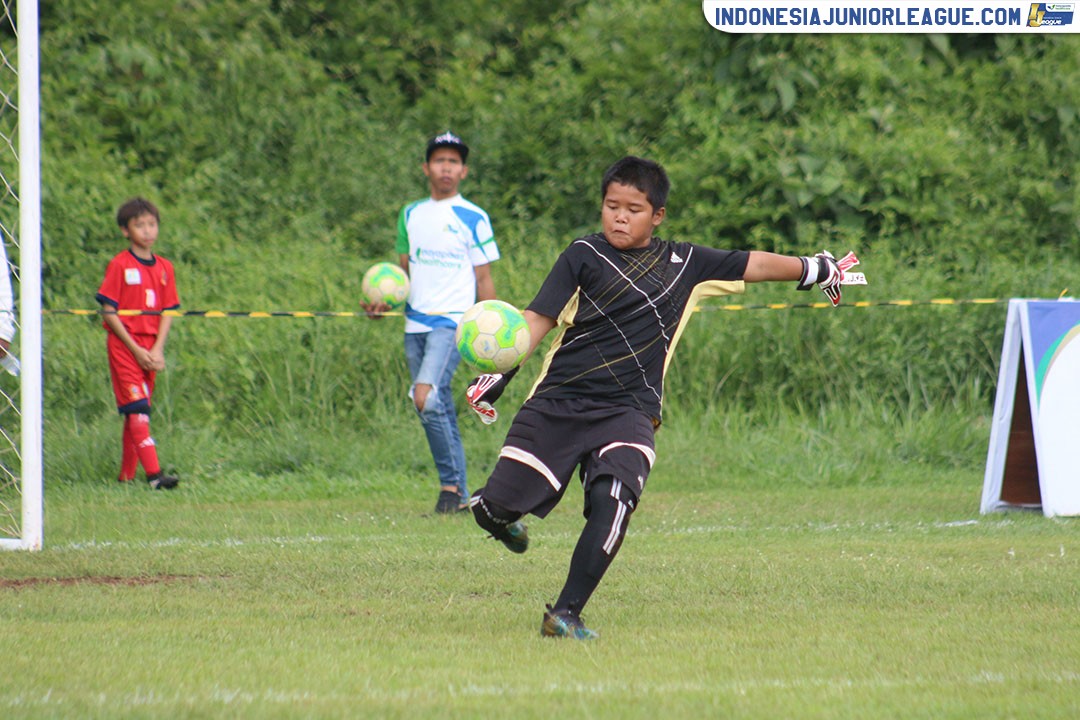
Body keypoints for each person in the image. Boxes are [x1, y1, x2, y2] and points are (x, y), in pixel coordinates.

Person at [465, 156, 848, 639]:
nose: (620, 217)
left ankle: (565, 613)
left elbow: (752, 262)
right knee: (490, 508)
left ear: (658, 215)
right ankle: (503, 519)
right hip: (558, 404)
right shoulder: (582, 255)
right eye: (611, 206)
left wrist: (814, 268)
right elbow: (535, 320)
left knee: (614, 498)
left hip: (630, 412)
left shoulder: (686, 263)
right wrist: (499, 374)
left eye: (633, 209)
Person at [366, 131, 500, 514]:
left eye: (454, 162)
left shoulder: (473, 216)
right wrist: (382, 303)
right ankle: (458, 493)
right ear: (426, 168)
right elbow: (403, 274)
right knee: (432, 403)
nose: (446, 167)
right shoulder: (411, 213)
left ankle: (451, 488)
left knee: (425, 396)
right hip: (415, 324)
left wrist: (489, 330)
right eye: (440, 160)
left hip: (452, 323)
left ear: (464, 171)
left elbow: (483, 278)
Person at [96, 197, 180, 490]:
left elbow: (169, 310)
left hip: (150, 348)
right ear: (125, 230)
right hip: (126, 347)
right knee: (139, 411)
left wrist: (157, 349)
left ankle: (125, 477)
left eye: (151, 224)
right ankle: (155, 476)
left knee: (136, 411)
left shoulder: (165, 268)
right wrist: (135, 349)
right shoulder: (120, 265)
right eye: (139, 225)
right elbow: (109, 311)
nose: (147, 231)